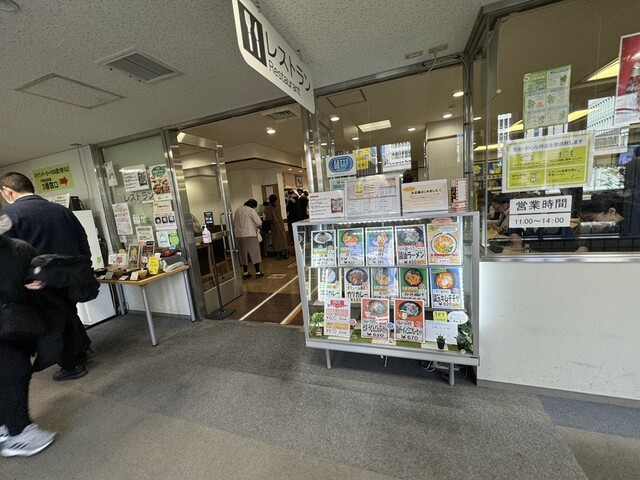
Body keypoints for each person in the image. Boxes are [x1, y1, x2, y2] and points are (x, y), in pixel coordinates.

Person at [0, 172, 93, 381]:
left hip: (38, 280)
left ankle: (72, 364)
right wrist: (83, 267)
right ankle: (82, 349)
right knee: (69, 311)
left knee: (53, 323)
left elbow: (9, 253)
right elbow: (82, 239)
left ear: (8, 191)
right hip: (68, 275)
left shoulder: (10, 214)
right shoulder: (61, 210)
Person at [0, 206, 57, 457]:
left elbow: (36, 275)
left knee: (13, 371)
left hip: (15, 323)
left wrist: (39, 280)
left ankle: (7, 426)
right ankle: (17, 432)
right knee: (15, 372)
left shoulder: (17, 249)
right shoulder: (16, 248)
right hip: (12, 324)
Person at [233, 199, 264, 278]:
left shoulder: (237, 210)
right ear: (253, 206)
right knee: (255, 253)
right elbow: (259, 222)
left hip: (239, 235)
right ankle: (258, 272)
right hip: (250, 234)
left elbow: (234, 222)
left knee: (243, 254)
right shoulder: (251, 210)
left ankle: (245, 273)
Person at [264, 194, 289, 259]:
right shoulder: (278, 206)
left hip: (274, 225)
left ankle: (279, 255)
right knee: (283, 239)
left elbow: (269, 218)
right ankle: (286, 254)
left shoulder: (269, 208)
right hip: (281, 223)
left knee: (276, 240)